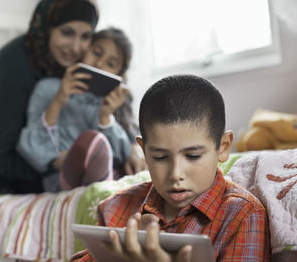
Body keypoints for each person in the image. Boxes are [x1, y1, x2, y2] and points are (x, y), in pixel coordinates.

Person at [71, 74, 270, 261]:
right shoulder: (114, 208)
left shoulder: (242, 215)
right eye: (160, 157)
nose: (176, 174)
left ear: (223, 147)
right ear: (144, 151)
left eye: (192, 156)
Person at [0, 0, 99, 194]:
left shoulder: (75, 64)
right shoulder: (11, 64)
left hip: (53, 162)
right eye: (66, 32)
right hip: (1, 173)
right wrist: (57, 162)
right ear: (47, 29)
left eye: (85, 36)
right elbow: (6, 161)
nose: (75, 47)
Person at [17, 27, 134, 192]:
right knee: (91, 142)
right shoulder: (48, 88)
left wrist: (105, 118)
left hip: (108, 175)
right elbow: (32, 149)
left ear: (119, 75)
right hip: (64, 180)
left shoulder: (112, 102)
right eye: (97, 53)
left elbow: (123, 156)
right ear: (85, 50)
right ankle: (101, 190)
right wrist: (58, 101)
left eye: (110, 64)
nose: (99, 64)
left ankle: (105, 192)